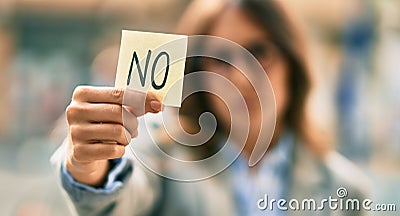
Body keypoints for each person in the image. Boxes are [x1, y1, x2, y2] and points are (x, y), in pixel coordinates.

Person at [51, 0, 370, 215]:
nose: (241, 77)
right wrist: (89, 165)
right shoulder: (161, 161)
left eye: (258, 51)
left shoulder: (347, 190)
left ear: (292, 61)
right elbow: (118, 196)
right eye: (219, 59)